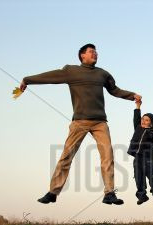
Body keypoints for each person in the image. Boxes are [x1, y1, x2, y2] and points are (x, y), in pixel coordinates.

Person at [19, 44, 141, 205]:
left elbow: (115, 90)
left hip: (100, 122)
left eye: (96, 52)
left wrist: (132, 95)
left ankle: (109, 193)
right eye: (91, 51)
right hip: (79, 121)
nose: (95, 54)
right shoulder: (71, 71)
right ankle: (53, 192)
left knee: (108, 155)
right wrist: (28, 80)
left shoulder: (103, 74)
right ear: (82, 55)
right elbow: (50, 76)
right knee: (66, 155)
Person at [127, 100, 153, 204]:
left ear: (152, 123)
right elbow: (136, 118)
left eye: (147, 120)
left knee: (152, 177)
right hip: (137, 158)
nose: (143, 121)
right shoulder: (138, 128)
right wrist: (138, 106)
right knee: (138, 179)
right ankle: (142, 196)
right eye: (143, 119)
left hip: (147, 159)